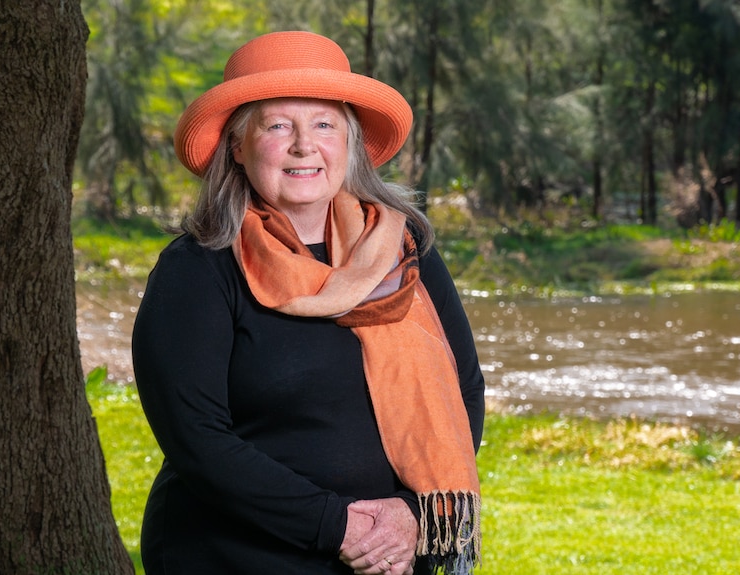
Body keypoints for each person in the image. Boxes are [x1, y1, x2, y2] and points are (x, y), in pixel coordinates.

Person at [131, 30, 485, 575]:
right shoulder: (199, 268)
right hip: (236, 556)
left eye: (324, 124)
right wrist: (337, 526)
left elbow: (463, 389)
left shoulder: (403, 248)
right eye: (278, 126)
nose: (304, 145)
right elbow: (197, 439)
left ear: (349, 142)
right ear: (237, 146)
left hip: (391, 551)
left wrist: (412, 516)